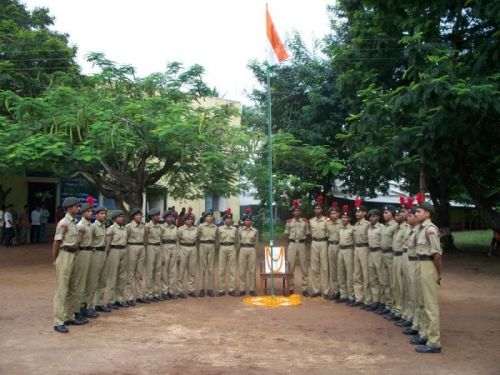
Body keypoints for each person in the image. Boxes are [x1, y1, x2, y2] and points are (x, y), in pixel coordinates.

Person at [412, 200, 442, 354]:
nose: (416, 214)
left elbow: (436, 254)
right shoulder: (420, 229)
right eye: (416, 212)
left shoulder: (430, 229)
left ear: (427, 213)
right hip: (420, 264)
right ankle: (424, 334)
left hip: (428, 266)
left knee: (430, 305)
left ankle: (434, 342)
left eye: (419, 211)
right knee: (421, 301)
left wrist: (438, 273)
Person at [52, 196, 83, 334]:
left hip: (73, 255)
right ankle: (58, 321)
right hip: (64, 255)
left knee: (72, 287)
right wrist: (56, 259)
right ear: (70, 208)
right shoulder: (63, 222)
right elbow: (57, 242)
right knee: (62, 289)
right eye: (76, 206)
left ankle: (69, 316)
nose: (78, 208)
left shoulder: (73, 222)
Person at [70, 203, 96, 321]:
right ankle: (76, 310)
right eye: (88, 211)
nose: (91, 213)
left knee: (88, 281)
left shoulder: (89, 225)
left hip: (90, 253)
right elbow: (77, 243)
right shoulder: (80, 226)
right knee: (80, 283)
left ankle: (84, 307)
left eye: (91, 211)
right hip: (82, 253)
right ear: (83, 213)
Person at [285, 200, 310, 297]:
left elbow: (308, 234)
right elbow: (286, 234)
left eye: (298, 211)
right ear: (293, 212)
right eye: (295, 211)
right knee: (291, 266)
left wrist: (304, 244)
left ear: (300, 212)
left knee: (304, 266)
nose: (296, 212)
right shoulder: (289, 222)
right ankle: (291, 288)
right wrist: (290, 244)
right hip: (292, 244)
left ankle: (304, 288)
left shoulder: (305, 222)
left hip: (302, 244)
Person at [86, 206, 108, 315]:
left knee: (103, 281)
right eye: (101, 213)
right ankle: (89, 306)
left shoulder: (104, 226)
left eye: (104, 214)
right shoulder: (93, 227)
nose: (103, 215)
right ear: (96, 215)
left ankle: (99, 304)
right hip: (95, 254)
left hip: (103, 253)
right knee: (93, 281)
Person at [376, 205, 398, 316]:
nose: (384, 214)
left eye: (387, 212)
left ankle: (394, 307)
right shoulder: (384, 227)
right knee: (385, 280)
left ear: (393, 214)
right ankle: (388, 305)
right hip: (383, 254)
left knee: (392, 281)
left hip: (390, 254)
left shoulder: (395, 226)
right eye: (384, 213)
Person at [105, 210, 129, 309]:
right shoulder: (111, 229)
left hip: (123, 250)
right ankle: (111, 300)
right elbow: (107, 244)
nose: (121, 219)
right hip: (114, 251)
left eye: (122, 217)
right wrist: (107, 255)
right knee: (112, 276)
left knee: (122, 277)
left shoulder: (124, 229)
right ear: (114, 219)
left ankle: (118, 299)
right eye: (119, 217)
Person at [352, 199, 371, 308]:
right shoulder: (355, 225)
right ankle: (359, 298)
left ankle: (367, 300)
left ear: (364, 213)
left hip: (364, 249)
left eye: (359, 212)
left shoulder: (368, 224)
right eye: (356, 212)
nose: (357, 213)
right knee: (357, 274)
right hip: (356, 249)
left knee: (365, 275)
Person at [309, 197, 329, 299]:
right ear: (314, 210)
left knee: (325, 267)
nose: (317, 210)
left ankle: (326, 291)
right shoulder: (311, 221)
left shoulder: (326, 220)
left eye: (319, 208)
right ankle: (316, 290)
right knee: (314, 267)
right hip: (314, 243)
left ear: (322, 210)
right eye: (316, 208)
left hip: (323, 242)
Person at [125, 208, 146, 305]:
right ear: (133, 216)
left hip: (141, 247)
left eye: (140, 215)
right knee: (130, 273)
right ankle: (129, 297)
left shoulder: (143, 226)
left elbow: (145, 238)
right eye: (137, 215)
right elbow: (125, 238)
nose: (140, 217)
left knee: (139, 273)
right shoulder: (129, 226)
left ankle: (139, 295)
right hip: (132, 247)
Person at [217, 209, 239, 296]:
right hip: (222, 247)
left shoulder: (235, 229)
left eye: (230, 219)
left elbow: (237, 240)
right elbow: (217, 239)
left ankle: (231, 289)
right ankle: (221, 290)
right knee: (221, 270)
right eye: (226, 219)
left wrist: (235, 248)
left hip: (232, 247)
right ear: (224, 220)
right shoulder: (219, 229)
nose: (228, 220)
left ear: (231, 220)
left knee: (232, 270)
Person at [176, 213, 198, 298]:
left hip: (193, 249)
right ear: (184, 221)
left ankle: (191, 290)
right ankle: (179, 291)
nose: (190, 221)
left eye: (191, 219)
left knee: (192, 270)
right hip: (183, 248)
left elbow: (198, 240)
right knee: (181, 270)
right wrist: (178, 254)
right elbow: (177, 241)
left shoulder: (195, 229)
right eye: (188, 219)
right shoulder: (180, 229)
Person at [337, 205, 355, 304]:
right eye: (342, 217)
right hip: (341, 250)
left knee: (349, 273)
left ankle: (351, 296)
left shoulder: (352, 229)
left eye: (346, 217)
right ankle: (343, 295)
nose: (344, 219)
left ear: (349, 219)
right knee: (341, 273)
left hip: (349, 251)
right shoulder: (340, 228)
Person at [366, 209, 384, 311]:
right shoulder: (369, 228)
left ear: (378, 217)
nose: (372, 218)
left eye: (374, 216)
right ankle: (375, 300)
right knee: (373, 279)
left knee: (381, 278)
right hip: (371, 253)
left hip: (379, 253)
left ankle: (382, 301)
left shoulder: (381, 228)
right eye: (371, 217)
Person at [145, 208, 164, 301]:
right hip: (150, 247)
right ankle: (149, 294)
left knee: (158, 271)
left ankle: (156, 293)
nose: (158, 217)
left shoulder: (160, 227)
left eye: (158, 215)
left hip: (158, 248)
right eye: (156, 215)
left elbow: (161, 240)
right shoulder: (147, 226)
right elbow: (145, 240)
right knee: (150, 271)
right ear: (152, 217)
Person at [197, 211, 218, 297]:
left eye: (211, 216)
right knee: (202, 268)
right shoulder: (201, 226)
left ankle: (210, 289)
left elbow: (217, 238)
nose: (210, 218)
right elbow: (197, 237)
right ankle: (201, 289)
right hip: (203, 245)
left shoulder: (215, 227)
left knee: (210, 268)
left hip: (211, 246)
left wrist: (215, 247)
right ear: (205, 218)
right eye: (208, 216)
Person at [238, 213, 259, 296]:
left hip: (252, 249)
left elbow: (257, 242)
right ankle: (242, 289)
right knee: (242, 270)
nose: (248, 221)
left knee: (252, 270)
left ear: (251, 221)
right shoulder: (240, 230)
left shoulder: (255, 231)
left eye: (249, 220)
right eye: (246, 220)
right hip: (242, 249)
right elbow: (237, 241)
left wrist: (255, 250)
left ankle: (252, 289)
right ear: (244, 221)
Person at [160, 210, 178, 300]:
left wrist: (178, 253)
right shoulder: (161, 227)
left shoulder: (175, 228)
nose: (170, 219)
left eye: (171, 217)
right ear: (164, 218)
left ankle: (171, 291)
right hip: (165, 247)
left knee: (173, 271)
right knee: (164, 270)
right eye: (168, 217)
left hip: (174, 247)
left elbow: (177, 241)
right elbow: (159, 241)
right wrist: (161, 254)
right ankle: (164, 291)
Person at [326, 202, 341, 300]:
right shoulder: (327, 224)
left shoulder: (343, 222)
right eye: (331, 214)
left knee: (341, 269)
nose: (333, 215)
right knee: (333, 270)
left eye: (334, 213)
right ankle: (336, 291)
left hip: (340, 246)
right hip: (331, 246)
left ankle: (343, 291)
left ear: (338, 214)